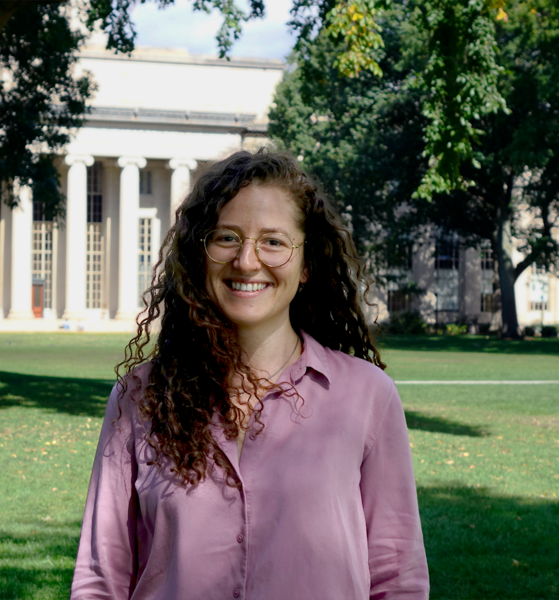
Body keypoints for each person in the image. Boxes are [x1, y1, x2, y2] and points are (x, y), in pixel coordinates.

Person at [71, 150, 429, 600]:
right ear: (199, 255)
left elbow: (398, 578)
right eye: (226, 238)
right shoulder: (140, 397)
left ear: (307, 265)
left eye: (273, 242)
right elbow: (101, 578)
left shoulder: (367, 396)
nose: (246, 261)